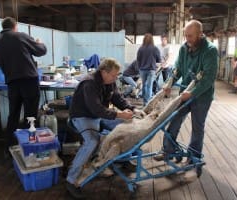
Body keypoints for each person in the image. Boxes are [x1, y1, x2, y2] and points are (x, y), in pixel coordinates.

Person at [66, 58, 138, 199]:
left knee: (127, 127)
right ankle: (71, 179)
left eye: (117, 75)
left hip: (98, 115)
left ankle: (124, 159)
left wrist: (132, 109)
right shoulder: (89, 83)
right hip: (82, 116)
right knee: (92, 142)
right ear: (103, 72)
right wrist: (119, 114)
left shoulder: (109, 82)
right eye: (113, 75)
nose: (116, 78)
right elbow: (96, 108)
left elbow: (117, 99)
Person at [155, 20, 218, 177]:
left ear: (200, 34)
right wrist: (170, 82)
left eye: (190, 36)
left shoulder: (210, 50)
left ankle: (193, 157)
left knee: (197, 127)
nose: (187, 38)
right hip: (184, 92)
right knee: (174, 118)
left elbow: (208, 77)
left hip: (202, 96)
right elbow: (177, 69)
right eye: (185, 35)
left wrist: (193, 93)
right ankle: (167, 150)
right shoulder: (184, 48)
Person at [0, 17, 47, 157]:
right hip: (28, 81)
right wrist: (39, 43)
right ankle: (30, 147)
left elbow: (0, 64)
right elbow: (40, 51)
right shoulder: (20, 36)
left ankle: (9, 148)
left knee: (13, 115)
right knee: (30, 115)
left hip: (12, 83)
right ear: (15, 26)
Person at [137, 33, 161, 105]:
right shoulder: (155, 48)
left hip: (142, 70)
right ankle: (148, 103)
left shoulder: (140, 48)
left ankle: (145, 101)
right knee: (149, 86)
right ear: (152, 40)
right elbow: (158, 59)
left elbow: (138, 59)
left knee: (144, 85)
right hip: (151, 69)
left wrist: (140, 68)